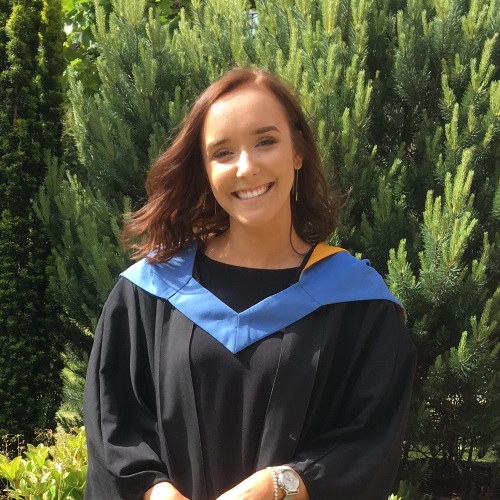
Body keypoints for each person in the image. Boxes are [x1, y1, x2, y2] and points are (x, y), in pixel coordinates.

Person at [83, 67, 416, 500]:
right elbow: (113, 422)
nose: (246, 167)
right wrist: (156, 492)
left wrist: (283, 485)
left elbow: (370, 440)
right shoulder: (149, 292)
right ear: (206, 169)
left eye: (265, 141)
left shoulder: (358, 302)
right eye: (222, 152)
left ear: (297, 150)